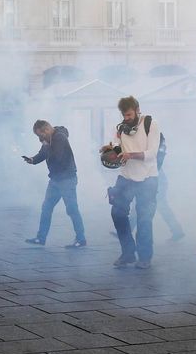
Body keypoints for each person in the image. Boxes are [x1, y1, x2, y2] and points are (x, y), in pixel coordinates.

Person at [100, 96, 161, 269]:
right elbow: (120, 148)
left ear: (137, 110)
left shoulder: (150, 124)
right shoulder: (120, 128)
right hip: (126, 177)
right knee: (117, 214)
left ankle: (145, 257)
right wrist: (110, 149)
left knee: (144, 219)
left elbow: (152, 153)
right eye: (124, 115)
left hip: (148, 178)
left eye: (129, 115)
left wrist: (131, 155)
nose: (126, 118)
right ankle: (128, 253)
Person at [22, 120, 86, 248]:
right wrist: (33, 160)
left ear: (46, 130)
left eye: (40, 135)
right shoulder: (49, 139)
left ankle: (81, 239)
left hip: (67, 179)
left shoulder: (59, 138)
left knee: (72, 209)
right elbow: (43, 154)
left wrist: (46, 145)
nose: (40, 138)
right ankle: (41, 238)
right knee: (46, 208)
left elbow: (56, 157)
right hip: (55, 180)